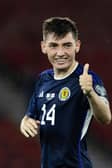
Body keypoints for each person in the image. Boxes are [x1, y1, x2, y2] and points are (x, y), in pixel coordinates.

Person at [20, 17, 111, 168]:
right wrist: (25, 122)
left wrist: (90, 94)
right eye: (54, 46)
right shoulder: (43, 79)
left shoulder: (87, 79)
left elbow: (106, 117)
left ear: (77, 46)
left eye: (67, 45)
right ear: (44, 47)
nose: (60, 53)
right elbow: (30, 116)